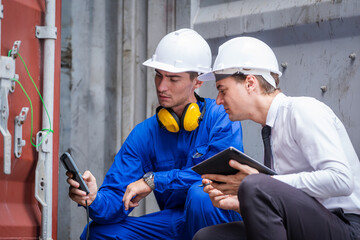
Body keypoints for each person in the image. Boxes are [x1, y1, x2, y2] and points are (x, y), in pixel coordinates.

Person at [66, 28, 243, 240]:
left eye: (173, 79)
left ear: (197, 82)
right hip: (176, 223)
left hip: (216, 220)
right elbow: (116, 198)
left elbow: (217, 178)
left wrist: (154, 180)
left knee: (200, 196)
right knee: (97, 233)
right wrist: (93, 199)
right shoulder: (145, 134)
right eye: (158, 75)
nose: (161, 86)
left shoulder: (220, 116)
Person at [193, 36, 360, 240]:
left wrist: (263, 183)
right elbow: (286, 200)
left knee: (256, 184)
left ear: (250, 83)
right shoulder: (271, 129)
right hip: (308, 223)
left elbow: (342, 180)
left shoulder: (302, 110)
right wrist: (244, 201)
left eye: (222, 90)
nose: (218, 101)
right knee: (208, 237)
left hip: (347, 226)